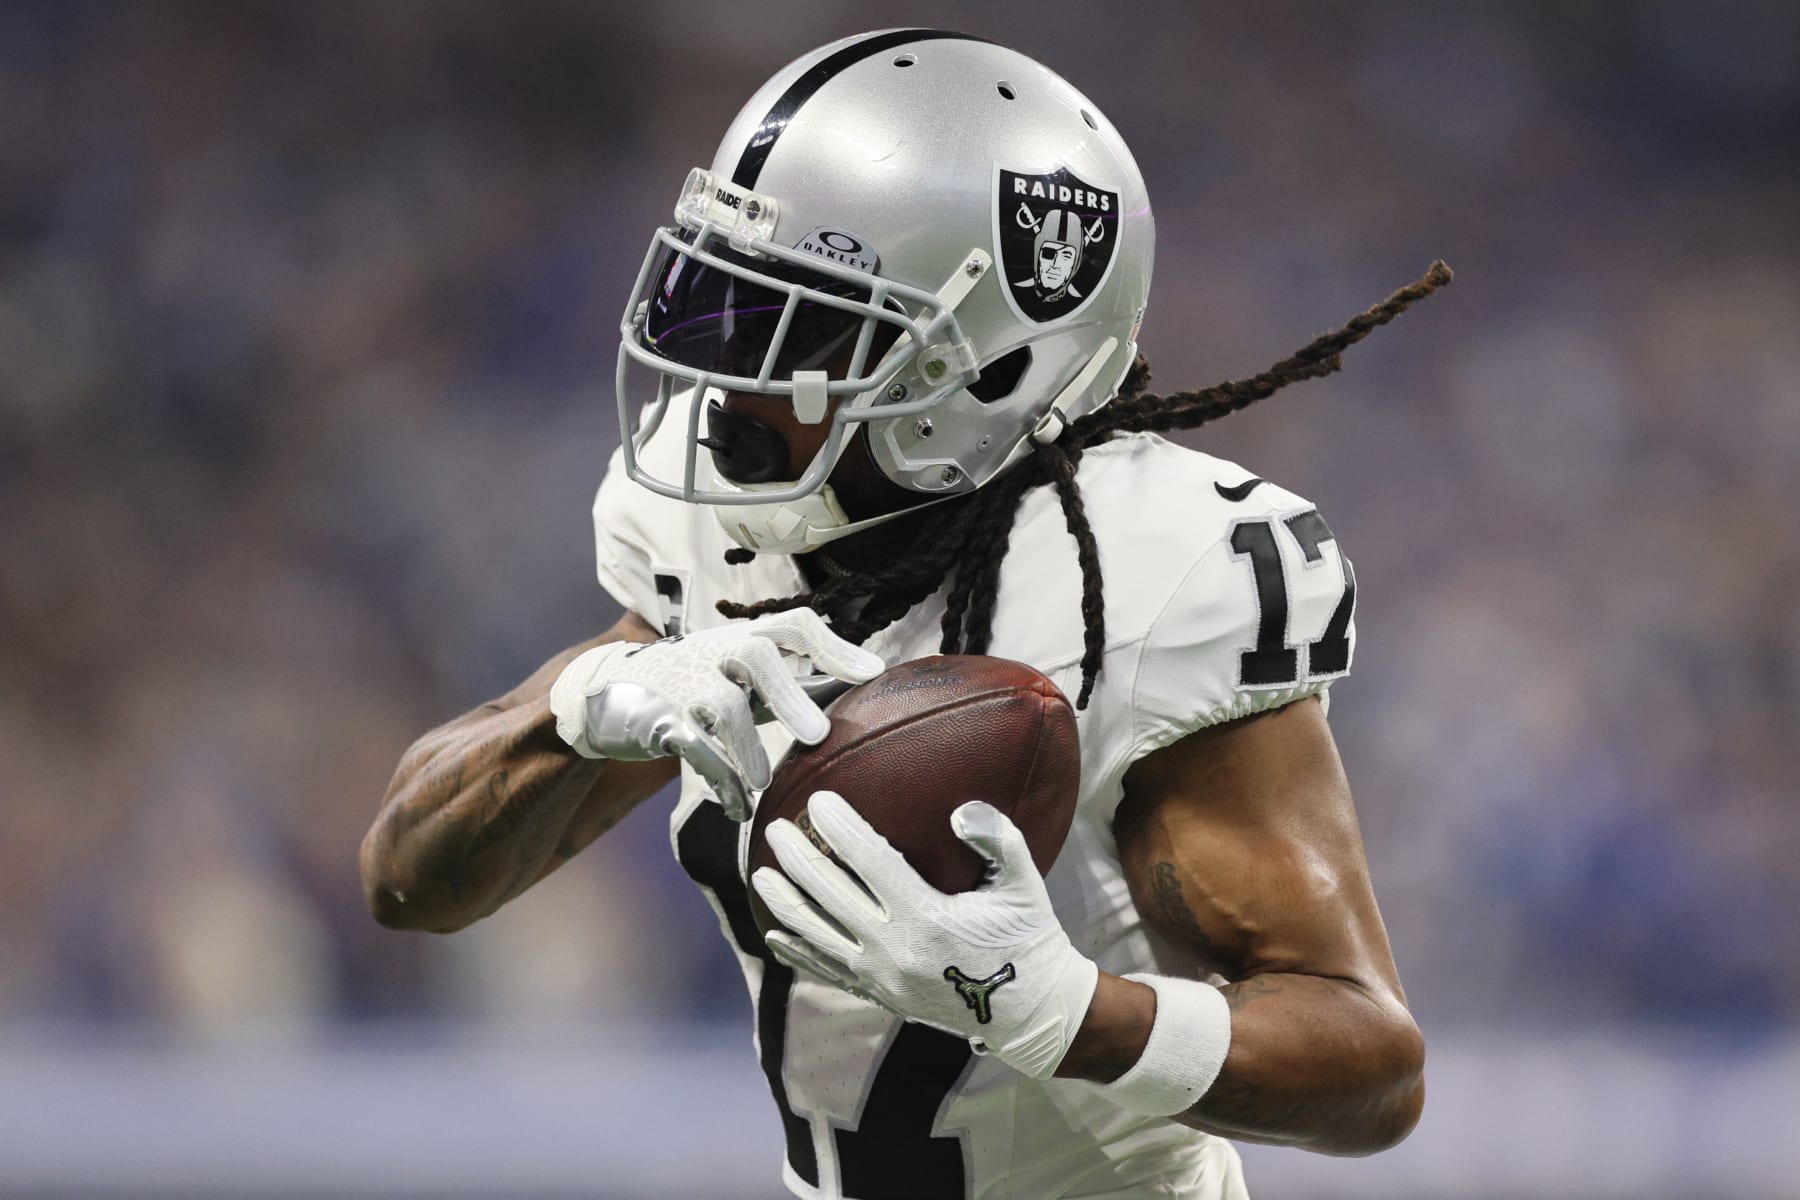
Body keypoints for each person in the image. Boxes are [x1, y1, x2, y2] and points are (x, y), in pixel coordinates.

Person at [360, 28, 1449, 1200]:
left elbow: (1372, 1067)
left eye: (806, 325)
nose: (729, 376)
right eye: (727, 300)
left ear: (992, 365)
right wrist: (584, 710)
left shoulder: (1153, 571)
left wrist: (1065, 1011)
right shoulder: (723, 513)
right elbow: (408, 881)